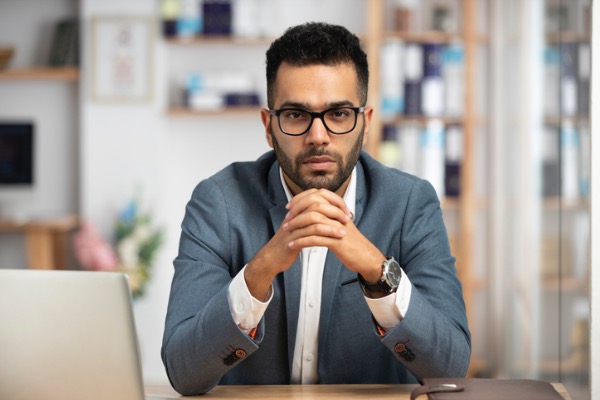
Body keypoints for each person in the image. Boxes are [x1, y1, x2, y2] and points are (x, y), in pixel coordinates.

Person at [161, 22, 471, 396]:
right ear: (268, 125)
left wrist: (377, 271)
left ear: (365, 123)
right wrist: (259, 272)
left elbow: (451, 367)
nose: (318, 136)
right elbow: (183, 372)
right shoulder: (218, 203)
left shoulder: (410, 203)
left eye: (339, 114)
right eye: (295, 115)